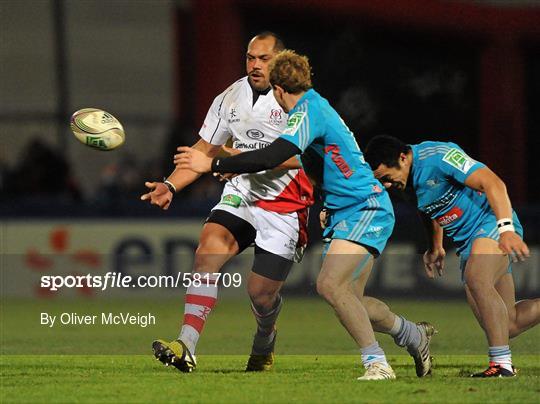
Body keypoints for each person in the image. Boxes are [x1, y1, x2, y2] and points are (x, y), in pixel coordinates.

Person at [176, 50, 436, 380]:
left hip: (365, 207)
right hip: (346, 210)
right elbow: (315, 163)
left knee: (329, 284)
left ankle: (377, 363)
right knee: (352, 301)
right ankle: (412, 335)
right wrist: (326, 203)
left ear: (281, 90)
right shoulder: (314, 108)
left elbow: (275, 155)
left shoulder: (306, 111)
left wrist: (213, 163)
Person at [142, 32, 314, 373]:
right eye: (250, 57)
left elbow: (302, 157)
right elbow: (205, 150)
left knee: (261, 294)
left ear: (280, 60)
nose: (255, 65)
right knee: (207, 253)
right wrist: (171, 186)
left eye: (263, 58)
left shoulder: (299, 101)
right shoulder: (230, 96)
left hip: (285, 204)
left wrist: (235, 158)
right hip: (242, 193)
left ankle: (265, 338)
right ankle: (186, 344)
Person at [363, 135, 539, 377]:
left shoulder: (439, 156)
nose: (386, 186)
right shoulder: (406, 181)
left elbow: (493, 183)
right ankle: (502, 359)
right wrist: (435, 245)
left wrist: (506, 229)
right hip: (469, 242)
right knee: (508, 324)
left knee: (476, 279)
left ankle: (501, 365)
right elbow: (428, 209)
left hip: (491, 224)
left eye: (386, 178)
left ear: (403, 158)